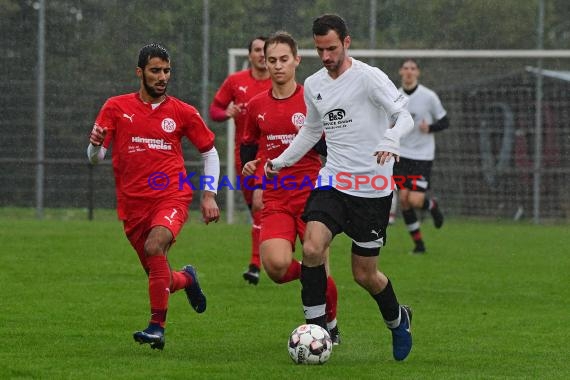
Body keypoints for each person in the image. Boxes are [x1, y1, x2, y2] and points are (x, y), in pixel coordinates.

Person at [265, 14, 414, 361]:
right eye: (320, 50)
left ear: (346, 43)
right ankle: (316, 333)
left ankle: (397, 320)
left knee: (365, 274)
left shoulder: (368, 78)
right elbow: (311, 130)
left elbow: (403, 115)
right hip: (333, 180)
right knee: (313, 248)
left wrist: (391, 139)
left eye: (332, 48)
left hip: (373, 188)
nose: (327, 56)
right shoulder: (315, 84)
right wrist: (282, 161)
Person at [87, 43, 220, 350]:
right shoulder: (116, 107)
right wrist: (95, 145)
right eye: (155, 71)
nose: (162, 77)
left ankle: (156, 327)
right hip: (132, 205)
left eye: (166, 71)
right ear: (140, 72)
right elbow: (95, 158)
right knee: (158, 276)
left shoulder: (183, 112)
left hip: (171, 195)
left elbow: (210, 151)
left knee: (154, 245)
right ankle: (186, 279)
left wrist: (209, 194)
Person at [240, 31, 340, 344]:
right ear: (263, 62)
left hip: (313, 197)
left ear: (297, 60)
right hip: (276, 197)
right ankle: (316, 281)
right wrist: (252, 172)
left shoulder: (313, 99)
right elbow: (250, 148)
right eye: (272, 60)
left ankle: (329, 323)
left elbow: (330, 146)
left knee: (317, 256)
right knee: (276, 266)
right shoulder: (255, 105)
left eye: (284, 59)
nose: (278, 65)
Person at [209, 36, 272, 285]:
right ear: (249, 55)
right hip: (243, 156)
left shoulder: (279, 82)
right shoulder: (236, 81)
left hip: (269, 154)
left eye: (265, 50)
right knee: (257, 210)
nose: (262, 54)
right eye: (257, 50)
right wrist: (227, 113)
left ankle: (255, 265)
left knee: (260, 207)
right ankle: (277, 249)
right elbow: (214, 109)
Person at [394, 58, 448, 254]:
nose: (409, 72)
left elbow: (445, 121)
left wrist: (430, 127)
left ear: (418, 73)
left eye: (413, 68)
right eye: (406, 68)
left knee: (416, 200)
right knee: (404, 200)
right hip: (401, 155)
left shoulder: (428, 96)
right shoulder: (395, 97)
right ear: (401, 71)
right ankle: (419, 244)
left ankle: (432, 206)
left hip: (422, 156)